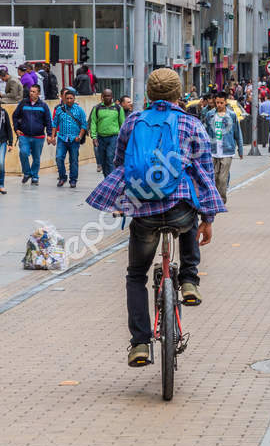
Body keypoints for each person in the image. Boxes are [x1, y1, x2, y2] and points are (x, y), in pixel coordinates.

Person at [86, 68, 223, 368]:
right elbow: (205, 172)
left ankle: (139, 344)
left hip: (144, 210)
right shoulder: (192, 123)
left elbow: (120, 162)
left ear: (148, 94)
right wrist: (208, 217)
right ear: (178, 95)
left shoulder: (133, 121)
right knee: (187, 212)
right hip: (179, 209)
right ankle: (188, 280)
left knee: (136, 274)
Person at [204, 91, 244, 202]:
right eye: (217, 103)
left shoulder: (231, 115)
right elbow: (205, 132)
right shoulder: (210, 114)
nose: (219, 105)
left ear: (225, 102)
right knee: (214, 177)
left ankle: (221, 200)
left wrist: (240, 149)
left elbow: (237, 132)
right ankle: (216, 198)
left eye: (221, 103)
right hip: (213, 150)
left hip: (227, 150)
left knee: (222, 178)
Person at [13, 85, 54, 185]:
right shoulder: (23, 103)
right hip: (24, 135)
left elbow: (48, 121)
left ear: (39, 93)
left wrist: (49, 135)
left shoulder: (43, 106)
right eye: (31, 91)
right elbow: (15, 116)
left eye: (34, 92)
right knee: (23, 153)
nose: (31, 93)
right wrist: (16, 129)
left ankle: (35, 176)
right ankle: (27, 173)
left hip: (38, 137)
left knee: (36, 158)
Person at [52, 87, 88, 188]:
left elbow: (84, 125)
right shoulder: (60, 109)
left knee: (74, 160)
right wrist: (52, 136)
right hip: (62, 139)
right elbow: (54, 124)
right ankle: (62, 177)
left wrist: (79, 137)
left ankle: (73, 180)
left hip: (74, 139)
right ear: (64, 98)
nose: (69, 100)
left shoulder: (79, 110)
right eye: (67, 98)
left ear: (74, 98)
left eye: (71, 98)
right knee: (59, 158)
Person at [88, 89, 125, 183]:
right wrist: (94, 137)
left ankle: (111, 181)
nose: (107, 97)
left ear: (112, 96)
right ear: (102, 97)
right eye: (105, 96)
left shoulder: (118, 108)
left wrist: (122, 138)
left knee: (110, 157)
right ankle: (106, 178)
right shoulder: (97, 108)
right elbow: (93, 123)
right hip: (100, 137)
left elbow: (122, 123)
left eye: (109, 96)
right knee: (103, 160)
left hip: (113, 137)